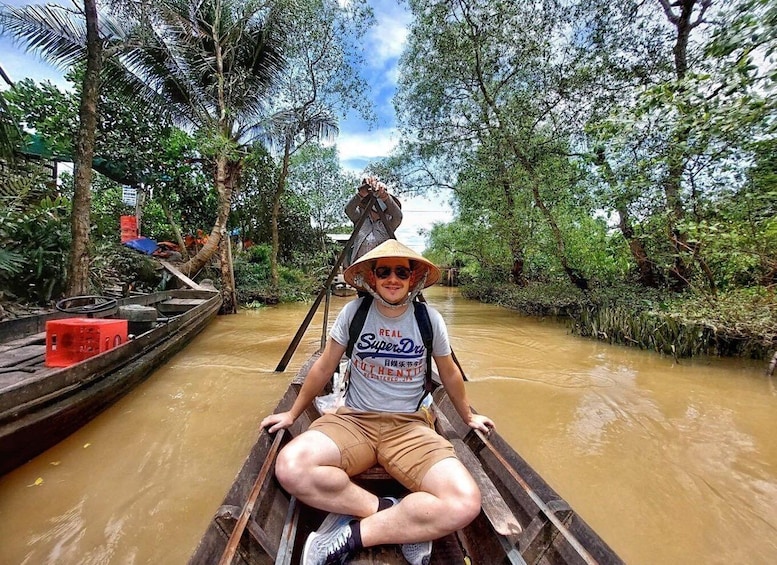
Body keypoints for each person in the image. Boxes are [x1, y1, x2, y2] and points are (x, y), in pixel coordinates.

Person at [260, 239, 495, 565]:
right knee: (291, 467)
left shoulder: (430, 320)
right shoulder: (354, 313)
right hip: (353, 421)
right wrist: (292, 413)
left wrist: (468, 417)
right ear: (372, 278)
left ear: (413, 278)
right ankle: (389, 513)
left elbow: (450, 373)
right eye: (384, 271)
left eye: (401, 271)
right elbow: (325, 366)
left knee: (464, 501)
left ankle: (350, 538)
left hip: (409, 427)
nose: (393, 279)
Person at [344, 176, 403, 266]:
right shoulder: (360, 217)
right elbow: (349, 210)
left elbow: (398, 216)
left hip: (381, 268)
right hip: (360, 266)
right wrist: (361, 194)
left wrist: (384, 196)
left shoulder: (388, 223)